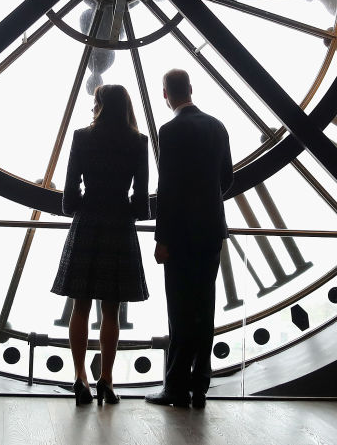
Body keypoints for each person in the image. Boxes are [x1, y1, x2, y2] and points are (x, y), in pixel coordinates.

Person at [51, 84, 150, 406]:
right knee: (112, 310)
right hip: (120, 224)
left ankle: (79, 376)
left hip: (88, 221)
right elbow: (141, 198)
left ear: (98, 105)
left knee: (80, 306)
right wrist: (131, 211)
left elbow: (69, 191)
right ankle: (106, 379)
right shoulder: (138, 142)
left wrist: (77, 207)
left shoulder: (82, 137)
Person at [145, 69, 232, 409]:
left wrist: (162, 237)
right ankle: (199, 384)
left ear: (165, 94)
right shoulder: (217, 126)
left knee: (180, 310)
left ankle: (176, 386)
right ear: (191, 90)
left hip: (180, 234)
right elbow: (226, 179)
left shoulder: (170, 131)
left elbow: (167, 190)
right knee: (203, 307)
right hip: (211, 229)